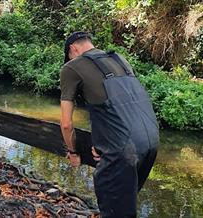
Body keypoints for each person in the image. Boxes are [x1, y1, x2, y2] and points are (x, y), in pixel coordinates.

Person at [60, 31, 159, 218]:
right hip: (150, 141)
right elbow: (125, 108)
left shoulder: (71, 68)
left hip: (123, 150)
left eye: (69, 56)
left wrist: (73, 152)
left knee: (114, 211)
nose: (70, 60)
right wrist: (103, 143)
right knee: (124, 206)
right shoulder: (120, 60)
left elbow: (66, 124)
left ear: (73, 49)